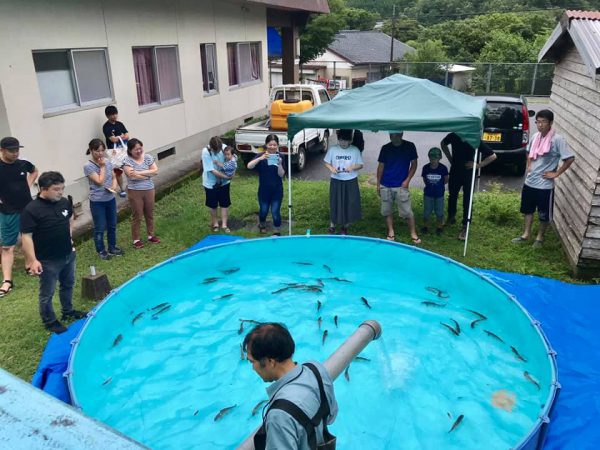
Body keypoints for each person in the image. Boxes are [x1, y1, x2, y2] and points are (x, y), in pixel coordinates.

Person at [243, 323, 338, 450]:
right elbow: (331, 416)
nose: (252, 368)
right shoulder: (316, 369)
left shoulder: (278, 415)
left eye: (252, 362)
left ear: (270, 361)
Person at [20, 171, 86, 334]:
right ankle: (50, 321)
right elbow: (26, 237)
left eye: (62, 188)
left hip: (67, 254)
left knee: (68, 284)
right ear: (43, 189)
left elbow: (70, 220)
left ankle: (68, 311)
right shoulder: (31, 209)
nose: (61, 192)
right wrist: (33, 260)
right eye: (56, 189)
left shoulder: (63, 202)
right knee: (47, 293)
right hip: (47, 260)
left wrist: (70, 240)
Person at [512, 109, 574, 248]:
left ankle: (540, 238)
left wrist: (556, 173)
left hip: (545, 185)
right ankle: (526, 235)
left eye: (543, 122)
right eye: (538, 121)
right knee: (527, 209)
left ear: (550, 123)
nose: (540, 125)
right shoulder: (535, 136)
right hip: (530, 182)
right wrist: (529, 166)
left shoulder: (557, 140)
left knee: (543, 213)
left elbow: (569, 158)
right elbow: (528, 152)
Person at [0, 137, 38, 298]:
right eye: (11, 150)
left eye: (17, 150)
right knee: (8, 246)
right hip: (8, 211)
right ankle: (7, 280)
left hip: (27, 207)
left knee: (27, 237)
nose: (15, 153)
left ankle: (30, 264)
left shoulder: (22, 163)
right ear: (2, 150)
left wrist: (27, 185)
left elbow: (35, 170)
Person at [440, 132, 497, 241]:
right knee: (452, 195)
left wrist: (478, 165)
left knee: (468, 198)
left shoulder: (474, 138)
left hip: (469, 173)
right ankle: (451, 217)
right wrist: (450, 158)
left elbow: (493, 156)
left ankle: (466, 225)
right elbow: (443, 143)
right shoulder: (454, 135)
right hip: (455, 171)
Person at [376, 131, 420, 244]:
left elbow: (414, 164)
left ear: (401, 134)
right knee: (387, 210)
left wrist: (407, 180)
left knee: (407, 212)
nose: (392, 137)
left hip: (401, 185)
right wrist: (378, 184)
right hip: (386, 184)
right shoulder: (385, 148)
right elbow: (381, 166)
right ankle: (391, 231)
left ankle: (413, 233)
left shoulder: (410, 146)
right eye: (390, 135)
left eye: (394, 135)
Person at [83, 139, 123, 260]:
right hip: (97, 201)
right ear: (91, 150)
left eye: (102, 150)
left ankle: (112, 246)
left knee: (112, 224)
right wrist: (102, 167)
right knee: (100, 227)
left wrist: (114, 185)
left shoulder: (107, 161)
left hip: (110, 198)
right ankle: (101, 250)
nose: (100, 153)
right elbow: (99, 181)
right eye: (97, 151)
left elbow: (113, 175)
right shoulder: (88, 166)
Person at [324, 129, 363, 235]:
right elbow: (326, 162)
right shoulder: (333, 149)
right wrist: (331, 168)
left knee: (349, 202)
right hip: (336, 180)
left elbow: (360, 164)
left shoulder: (355, 150)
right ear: (338, 139)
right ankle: (332, 225)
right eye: (341, 140)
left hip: (350, 180)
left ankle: (345, 226)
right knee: (335, 202)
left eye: (346, 141)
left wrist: (353, 167)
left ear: (350, 140)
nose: (343, 143)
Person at [122, 138, 160, 249]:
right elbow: (131, 175)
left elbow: (156, 170)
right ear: (130, 150)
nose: (139, 151)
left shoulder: (148, 157)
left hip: (149, 189)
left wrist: (139, 172)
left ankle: (151, 235)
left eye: (140, 148)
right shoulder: (126, 161)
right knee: (137, 215)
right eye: (136, 149)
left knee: (149, 213)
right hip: (135, 191)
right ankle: (136, 239)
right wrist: (148, 174)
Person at [247, 135, 285, 236]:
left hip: (277, 190)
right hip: (264, 190)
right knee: (263, 210)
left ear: (277, 145)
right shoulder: (261, 155)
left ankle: (277, 230)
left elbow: (281, 174)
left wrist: (279, 164)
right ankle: (262, 224)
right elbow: (249, 166)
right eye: (270, 144)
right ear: (266, 144)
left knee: (275, 211)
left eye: (274, 145)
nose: (272, 147)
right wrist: (260, 158)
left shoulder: (281, 156)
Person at [202, 137, 233, 233]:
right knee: (213, 204)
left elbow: (232, 159)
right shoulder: (205, 152)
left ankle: (224, 224)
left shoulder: (224, 148)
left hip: (224, 183)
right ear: (210, 147)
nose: (217, 152)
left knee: (224, 203)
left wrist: (231, 171)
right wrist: (226, 177)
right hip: (210, 183)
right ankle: (215, 224)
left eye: (218, 150)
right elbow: (212, 170)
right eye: (215, 151)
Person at [102, 105, 129, 198]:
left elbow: (127, 135)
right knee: (118, 171)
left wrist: (119, 137)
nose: (114, 116)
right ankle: (122, 189)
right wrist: (121, 136)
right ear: (107, 116)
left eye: (115, 114)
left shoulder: (120, 124)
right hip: (114, 153)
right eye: (112, 114)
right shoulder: (106, 127)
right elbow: (113, 139)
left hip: (124, 150)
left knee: (129, 168)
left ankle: (132, 185)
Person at [421, 147, 449, 235]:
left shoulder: (443, 168)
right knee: (426, 211)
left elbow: (446, 180)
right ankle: (425, 226)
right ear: (429, 157)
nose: (433, 160)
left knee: (439, 212)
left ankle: (439, 227)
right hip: (428, 194)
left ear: (439, 158)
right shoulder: (425, 168)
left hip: (439, 194)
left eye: (435, 158)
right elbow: (425, 179)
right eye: (431, 158)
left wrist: (439, 186)